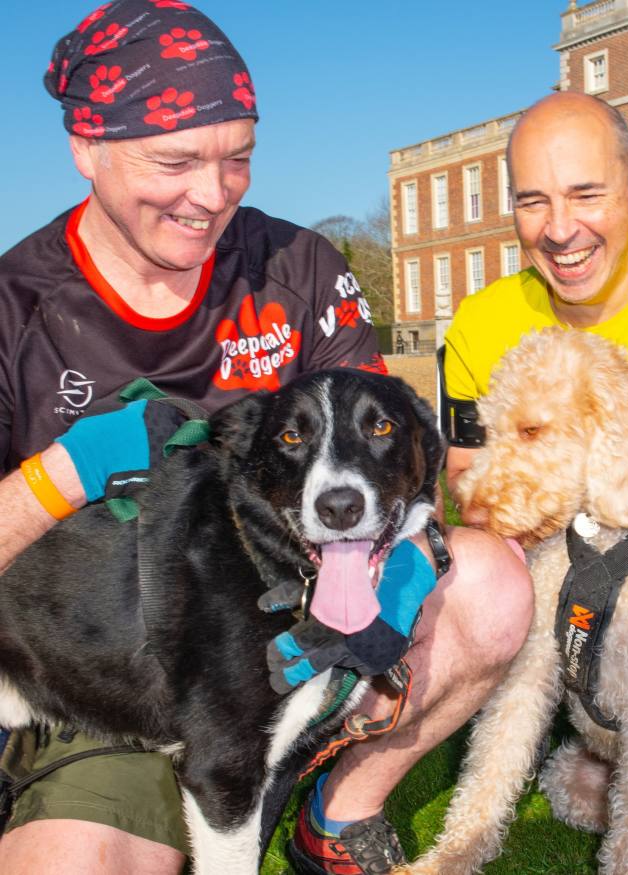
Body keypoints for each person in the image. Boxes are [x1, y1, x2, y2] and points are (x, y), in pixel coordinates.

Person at [0, 2, 532, 873]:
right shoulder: (15, 307)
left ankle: (337, 806)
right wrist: (68, 470)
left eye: (237, 157)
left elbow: (396, 456)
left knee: (496, 584)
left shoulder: (301, 267)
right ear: (86, 148)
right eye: (176, 159)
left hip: (304, 631)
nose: (212, 194)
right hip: (103, 664)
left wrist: (402, 576)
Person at [444, 92, 628, 706]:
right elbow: (466, 479)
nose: (560, 231)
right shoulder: (479, 325)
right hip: (563, 577)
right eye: (534, 202)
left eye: (586, 194)